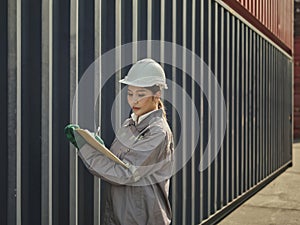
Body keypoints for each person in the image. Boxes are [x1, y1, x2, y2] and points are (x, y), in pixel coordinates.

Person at [66, 58, 174, 225]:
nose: (134, 100)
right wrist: (96, 144)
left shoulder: (158, 132)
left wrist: (86, 149)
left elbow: (126, 173)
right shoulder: (129, 124)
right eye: (130, 93)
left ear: (157, 94)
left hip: (142, 219)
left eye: (141, 94)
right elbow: (116, 161)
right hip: (119, 213)